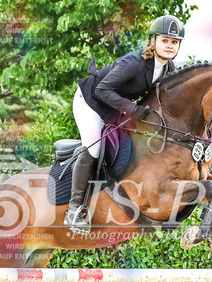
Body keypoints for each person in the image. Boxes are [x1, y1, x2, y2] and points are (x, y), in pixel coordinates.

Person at [65, 14, 185, 233]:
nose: (170, 45)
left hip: (116, 106)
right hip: (91, 101)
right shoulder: (135, 62)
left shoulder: (168, 69)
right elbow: (102, 89)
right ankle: (74, 209)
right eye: (165, 40)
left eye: (174, 42)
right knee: (94, 148)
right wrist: (133, 110)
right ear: (153, 41)